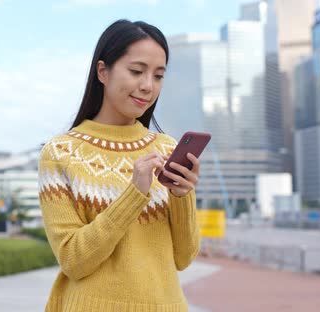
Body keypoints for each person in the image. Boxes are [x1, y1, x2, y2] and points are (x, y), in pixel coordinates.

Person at [38, 19, 201, 312]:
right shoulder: (61, 152)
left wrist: (182, 196)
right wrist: (134, 194)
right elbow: (74, 260)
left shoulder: (167, 150)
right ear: (103, 71)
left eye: (158, 75)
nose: (148, 86)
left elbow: (184, 257)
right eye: (137, 71)